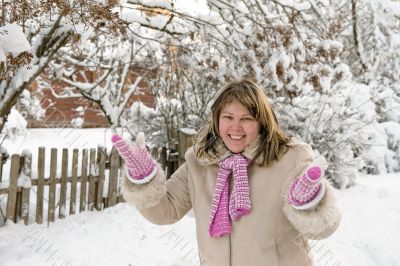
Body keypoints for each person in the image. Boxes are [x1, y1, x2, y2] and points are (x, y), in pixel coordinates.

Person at [111, 79, 341, 266]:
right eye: (228, 117)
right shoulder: (199, 161)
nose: (235, 127)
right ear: (217, 120)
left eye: (246, 119)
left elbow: (324, 229)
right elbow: (165, 212)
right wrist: (144, 181)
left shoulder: (290, 159)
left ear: (262, 122)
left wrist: (310, 205)